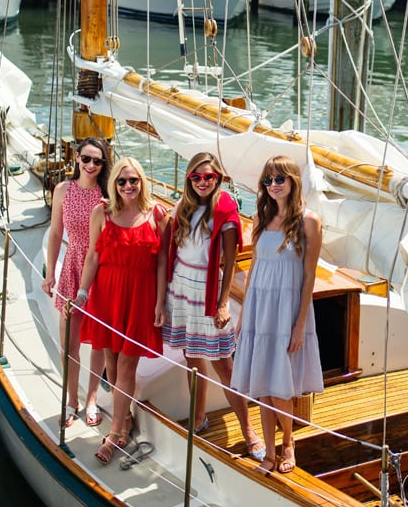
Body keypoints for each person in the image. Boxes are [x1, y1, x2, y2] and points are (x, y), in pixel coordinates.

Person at [156, 152, 265, 460]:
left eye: (209, 177)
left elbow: (229, 263)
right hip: (181, 286)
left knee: (224, 366)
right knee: (191, 357)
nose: (203, 182)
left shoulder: (225, 212)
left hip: (208, 289)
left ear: (218, 179)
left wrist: (222, 305)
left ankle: (249, 431)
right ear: (189, 179)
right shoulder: (183, 207)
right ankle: (199, 416)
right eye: (197, 177)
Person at [231, 155, 323, 474]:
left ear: (293, 181)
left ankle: (288, 442)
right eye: (267, 181)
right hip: (259, 308)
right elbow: (255, 266)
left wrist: (299, 325)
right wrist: (243, 316)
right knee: (262, 385)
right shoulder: (259, 217)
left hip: (287, 311)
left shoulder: (309, 220)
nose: (273, 186)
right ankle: (269, 453)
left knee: (281, 388)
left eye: (279, 179)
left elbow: (309, 276)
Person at [78, 156, 167, 464]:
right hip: (107, 295)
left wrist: (160, 302)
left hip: (140, 297)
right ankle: (126, 419)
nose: (128, 186)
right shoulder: (101, 212)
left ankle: (115, 434)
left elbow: (162, 264)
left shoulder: (157, 214)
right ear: (114, 184)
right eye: (122, 181)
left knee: (126, 367)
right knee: (112, 364)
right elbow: (92, 257)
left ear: (142, 182)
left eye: (133, 180)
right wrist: (82, 292)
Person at [42, 137, 111, 428]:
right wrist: (50, 272)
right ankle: (72, 400)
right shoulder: (62, 190)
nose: (92, 165)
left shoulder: (108, 193)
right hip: (72, 266)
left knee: (97, 341)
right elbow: (56, 233)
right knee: (68, 343)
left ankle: (92, 398)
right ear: (77, 159)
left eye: (98, 161)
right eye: (87, 159)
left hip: (101, 269)